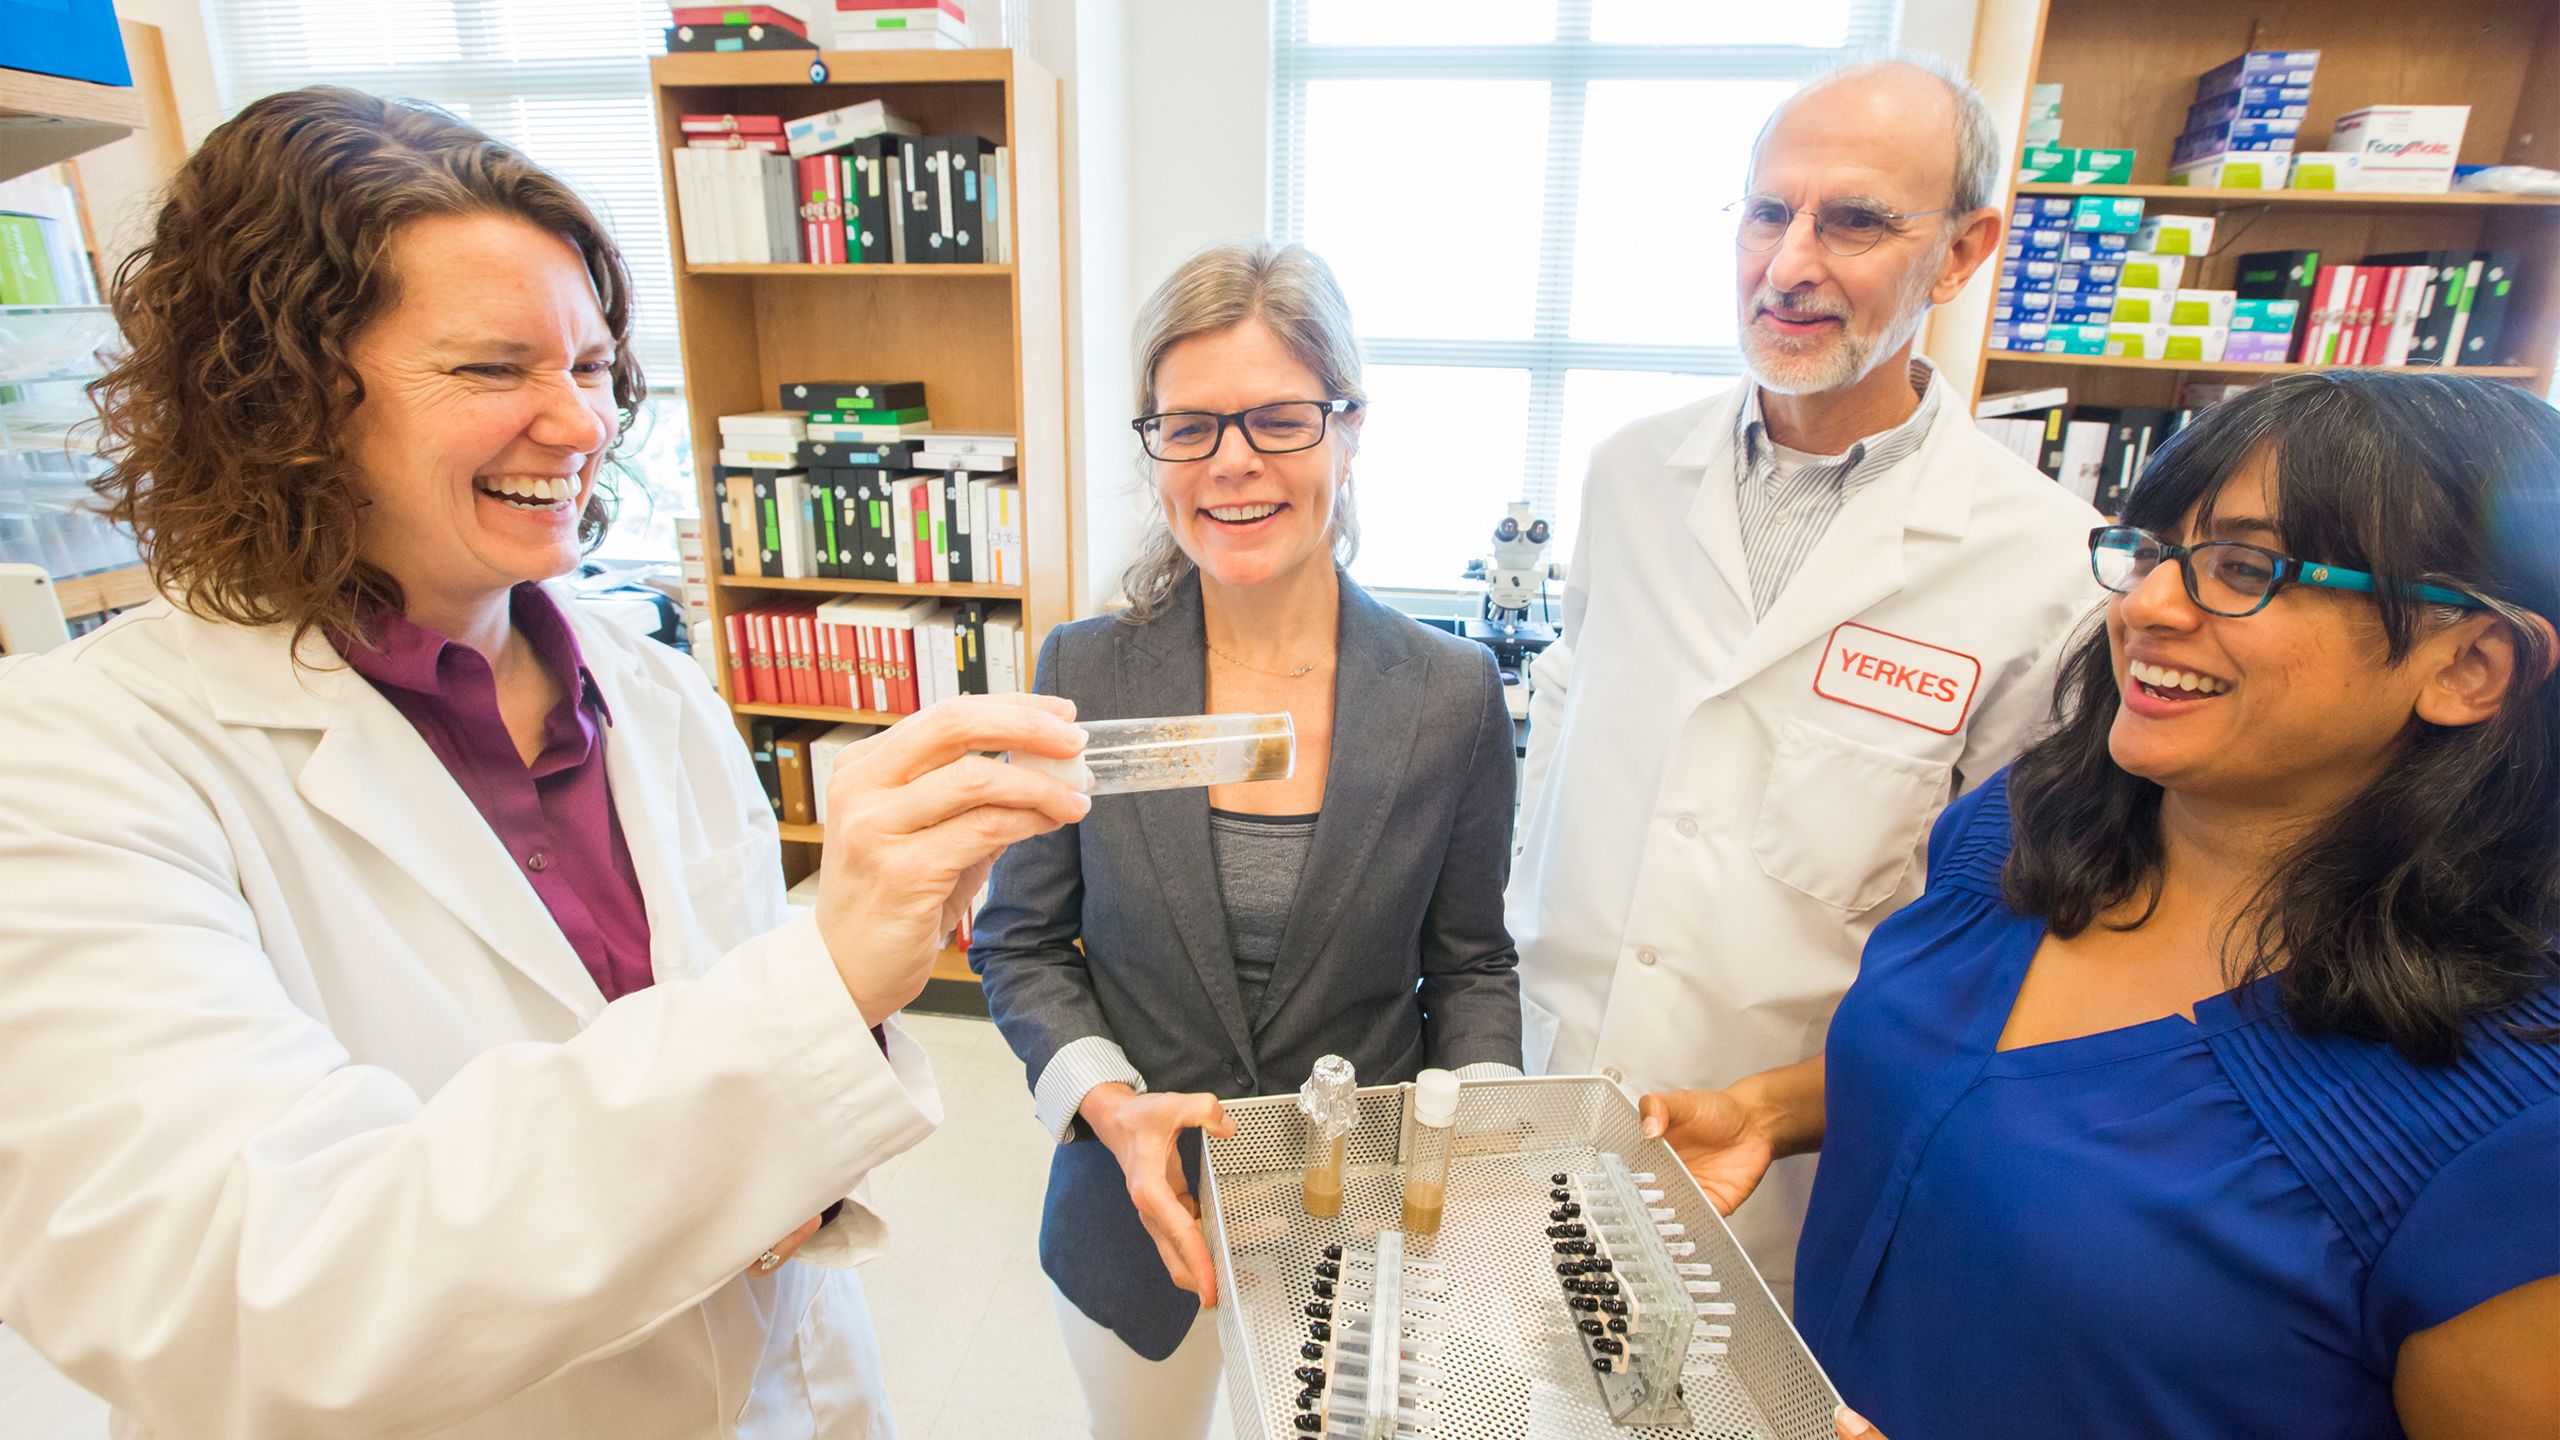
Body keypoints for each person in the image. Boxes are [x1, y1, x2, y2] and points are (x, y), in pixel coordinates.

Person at [0, 88, 1089, 1440]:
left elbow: (737, 1062)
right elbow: (253, 1291)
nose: (580, 426)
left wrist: (832, 1045)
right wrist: (818, 986)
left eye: (587, 366)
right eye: (491, 368)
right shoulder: (77, 765)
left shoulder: (650, 688)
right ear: (278, 396)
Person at [1644, 371, 2560, 1440]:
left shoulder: (2507, 1126)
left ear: (2469, 666)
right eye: (2153, 552)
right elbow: (1983, 1076)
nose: (2145, 606)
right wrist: (1771, 1109)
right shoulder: (2024, 828)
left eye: (2243, 570)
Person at [1504, 53, 2102, 1305]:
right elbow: (1570, 715)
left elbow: (2000, 932)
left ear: (1959, 252)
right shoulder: (1628, 472)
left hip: (1787, 1168)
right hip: (1551, 1081)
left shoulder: (2040, 570)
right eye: (1769, 212)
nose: (1788, 265)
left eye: (1856, 221)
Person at [969, 240, 1524, 1440]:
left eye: (1278, 420)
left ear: (1349, 426)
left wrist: (1473, 1149)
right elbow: (1019, 942)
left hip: (1357, 1218)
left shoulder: (1449, 695)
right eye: (1190, 427)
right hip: (1133, 1213)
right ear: (1154, 444)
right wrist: (1105, 1103)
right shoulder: (1084, 670)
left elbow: (1472, 963)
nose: (1232, 464)